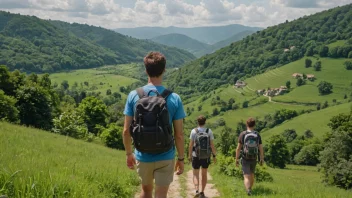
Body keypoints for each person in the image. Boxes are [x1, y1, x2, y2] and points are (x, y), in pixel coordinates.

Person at [123, 52, 186, 198]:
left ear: (146, 70)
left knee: (145, 192)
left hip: (142, 154)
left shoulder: (134, 95)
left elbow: (126, 130)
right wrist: (181, 159)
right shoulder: (174, 98)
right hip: (166, 155)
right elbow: (179, 135)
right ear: (164, 70)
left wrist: (128, 154)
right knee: (161, 194)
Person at [188, 115, 217, 198]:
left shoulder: (194, 131)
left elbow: (190, 146)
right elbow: (212, 145)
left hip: (196, 155)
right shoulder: (209, 131)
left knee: (195, 174)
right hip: (206, 156)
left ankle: (196, 190)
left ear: (197, 122)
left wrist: (189, 155)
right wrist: (214, 155)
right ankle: (202, 192)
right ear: (205, 122)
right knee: (204, 174)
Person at [235, 117, 264, 196]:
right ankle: (250, 189)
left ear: (246, 124)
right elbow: (260, 147)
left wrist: (236, 159)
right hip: (254, 157)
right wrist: (261, 158)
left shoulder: (243, 134)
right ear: (254, 125)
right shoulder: (257, 134)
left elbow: (238, 148)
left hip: (245, 157)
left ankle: (248, 190)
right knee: (252, 174)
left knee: (246, 176)